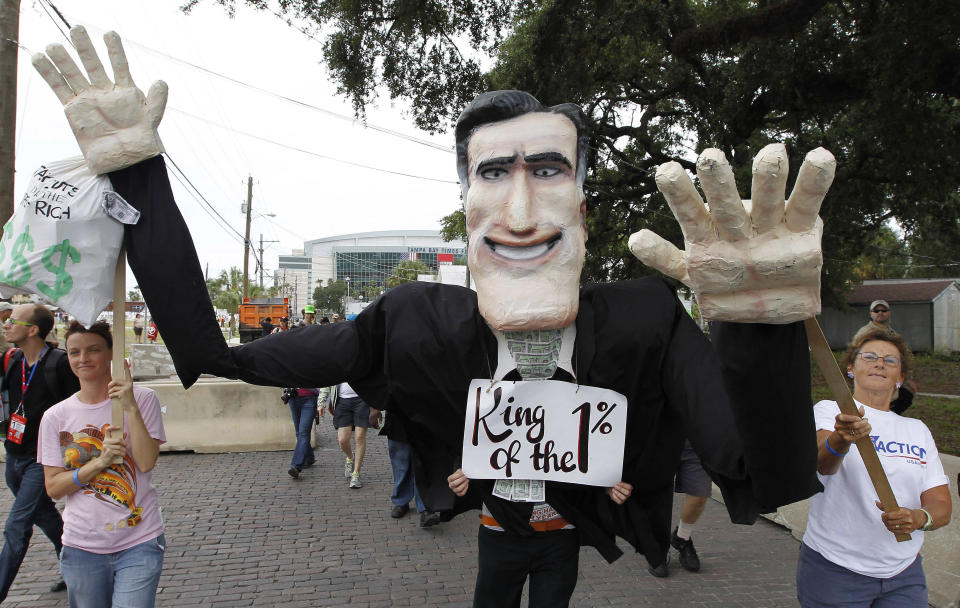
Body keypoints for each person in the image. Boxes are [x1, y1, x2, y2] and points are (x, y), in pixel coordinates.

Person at [31, 35, 831, 606]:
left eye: (547, 171)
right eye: (494, 174)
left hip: (566, 534)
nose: (521, 211)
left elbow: (757, 472)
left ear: (581, 205)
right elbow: (214, 353)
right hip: (495, 526)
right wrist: (138, 175)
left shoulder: (645, 319)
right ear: (468, 207)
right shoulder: (416, 323)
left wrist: (759, 330)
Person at [796, 329, 952, 607]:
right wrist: (839, 439)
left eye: (890, 361)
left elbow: (941, 505)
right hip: (835, 568)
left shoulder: (916, 430)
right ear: (851, 368)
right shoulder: (830, 410)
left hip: (904, 571)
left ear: (901, 378)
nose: (879, 363)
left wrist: (918, 518)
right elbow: (821, 466)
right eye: (869, 357)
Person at [37, 320, 167, 607]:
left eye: (93, 350)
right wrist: (99, 463)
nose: (83, 359)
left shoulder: (144, 399)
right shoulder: (55, 416)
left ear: (112, 355)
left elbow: (146, 463)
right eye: (74, 352)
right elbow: (54, 488)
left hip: (139, 540)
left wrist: (130, 405)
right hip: (82, 546)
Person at [0, 304, 79, 600]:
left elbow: (78, 409)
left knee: (17, 526)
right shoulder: (12, 359)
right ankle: (72, 561)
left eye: (12, 321)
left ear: (32, 330)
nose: (6, 326)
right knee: (43, 515)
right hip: (14, 455)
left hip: (41, 459)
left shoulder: (59, 364)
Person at [647, 439, 711, 577]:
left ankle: (682, 537)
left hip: (695, 441)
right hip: (660, 440)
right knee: (659, 496)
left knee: (700, 494)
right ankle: (658, 548)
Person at [369, 406, 442, 527]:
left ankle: (426, 506)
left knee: (424, 462)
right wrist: (374, 409)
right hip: (397, 415)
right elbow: (375, 387)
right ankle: (401, 500)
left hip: (425, 412)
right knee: (400, 462)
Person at [322, 382, 371, 489]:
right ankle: (350, 458)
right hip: (342, 401)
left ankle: (356, 474)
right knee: (343, 440)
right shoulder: (336, 364)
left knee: (359, 437)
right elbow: (328, 379)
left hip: (362, 400)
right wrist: (321, 402)